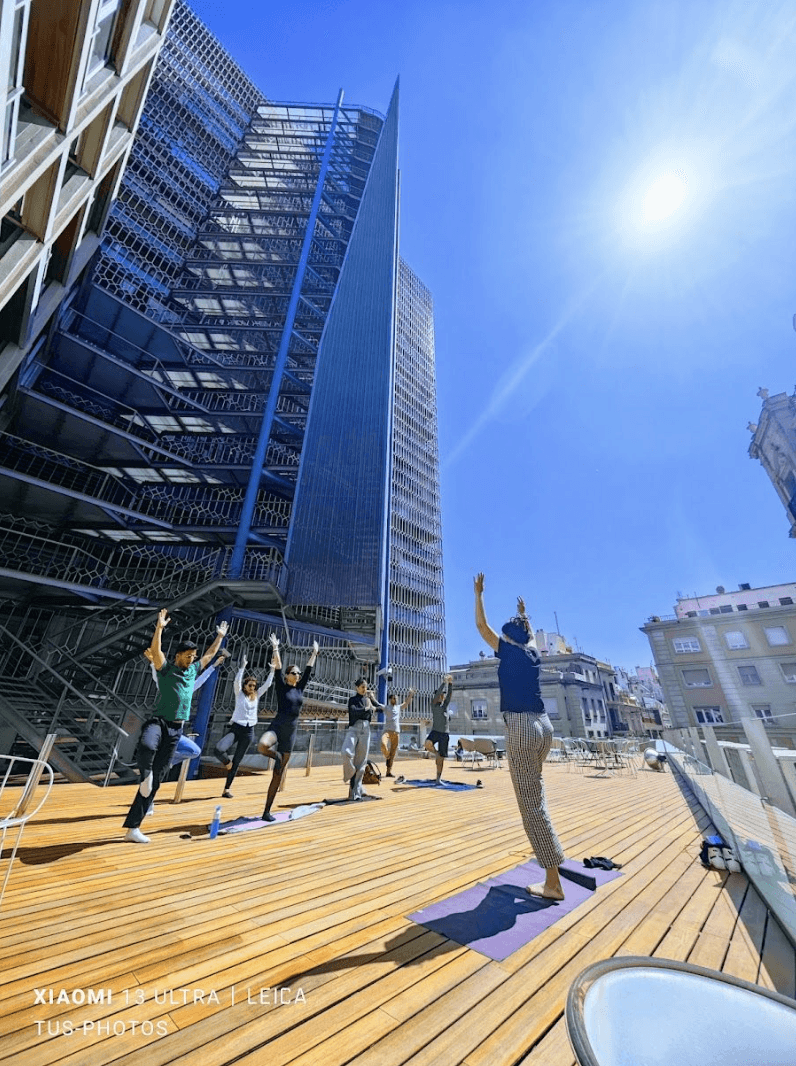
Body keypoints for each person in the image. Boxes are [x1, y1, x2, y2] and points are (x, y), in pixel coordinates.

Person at [474, 572, 565, 899]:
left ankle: (553, 881)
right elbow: (529, 635)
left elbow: (482, 628)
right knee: (536, 795)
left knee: (532, 806)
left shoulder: (509, 651)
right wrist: (525, 613)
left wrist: (478, 594)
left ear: (508, 638)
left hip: (523, 728)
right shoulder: (532, 654)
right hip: (544, 727)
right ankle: (551, 871)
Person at [122, 610, 228, 843]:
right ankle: (146, 774)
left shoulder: (192, 671)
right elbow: (157, 652)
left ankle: (133, 828)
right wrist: (159, 629)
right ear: (178, 655)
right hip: (159, 722)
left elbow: (209, 656)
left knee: (156, 782)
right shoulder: (167, 669)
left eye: (193, 656)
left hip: (176, 729)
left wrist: (219, 637)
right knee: (147, 746)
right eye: (187, 656)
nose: (191, 659)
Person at [257, 634, 318, 821]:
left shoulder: (300, 688)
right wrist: (275, 647)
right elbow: (277, 667)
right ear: (287, 676)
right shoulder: (282, 687)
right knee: (262, 745)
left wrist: (315, 653)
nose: (297, 675)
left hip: (290, 733)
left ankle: (266, 811)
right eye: (294, 673)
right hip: (277, 726)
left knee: (277, 775)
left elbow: (308, 669)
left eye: (298, 674)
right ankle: (275, 756)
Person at [214, 649, 275, 798]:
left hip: (249, 732)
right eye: (250, 685)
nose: (252, 688)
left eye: (254, 685)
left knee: (238, 760)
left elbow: (267, 685)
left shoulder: (256, 696)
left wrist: (272, 670)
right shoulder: (239, 694)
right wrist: (242, 667)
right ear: (245, 686)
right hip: (236, 728)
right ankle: (227, 763)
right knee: (218, 749)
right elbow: (236, 682)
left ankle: (226, 789)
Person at [343, 678, 384, 800]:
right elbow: (354, 711)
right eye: (362, 687)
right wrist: (368, 708)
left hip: (366, 729)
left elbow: (381, 708)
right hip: (354, 728)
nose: (364, 689)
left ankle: (356, 791)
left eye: (365, 687)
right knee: (345, 752)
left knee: (361, 761)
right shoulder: (353, 700)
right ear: (357, 688)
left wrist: (372, 699)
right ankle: (350, 774)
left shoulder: (368, 700)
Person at [424, 673, 453, 783]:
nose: (442, 696)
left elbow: (449, 695)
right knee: (427, 744)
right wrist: (444, 682)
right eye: (440, 695)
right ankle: (436, 753)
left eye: (443, 695)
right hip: (435, 731)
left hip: (444, 734)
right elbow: (438, 694)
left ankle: (438, 778)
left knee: (441, 759)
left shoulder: (445, 706)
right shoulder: (433, 705)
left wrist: (450, 684)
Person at [381, 687, 414, 777]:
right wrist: (371, 697)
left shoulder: (398, 707)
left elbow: (406, 703)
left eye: (396, 698)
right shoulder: (386, 707)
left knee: (393, 752)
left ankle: (388, 772)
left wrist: (410, 695)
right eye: (394, 698)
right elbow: (377, 704)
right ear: (390, 699)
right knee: (383, 744)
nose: (395, 700)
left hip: (396, 732)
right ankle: (387, 756)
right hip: (387, 731)